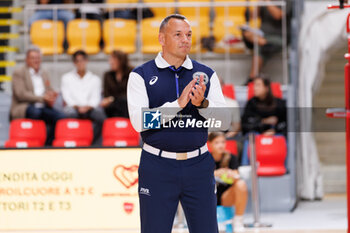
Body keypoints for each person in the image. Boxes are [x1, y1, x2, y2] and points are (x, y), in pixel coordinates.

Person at [127, 14, 229, 233]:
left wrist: (202, 104)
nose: (186, 40)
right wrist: (177, 104)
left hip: (198, 165)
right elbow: (139, 122)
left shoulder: (207, 74)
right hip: (157, 166)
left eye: (189, 35)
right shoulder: (140, 75)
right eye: (178, 34)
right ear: (161, 39)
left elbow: (223, 120)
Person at [10, 46, 65, 145]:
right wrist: (42, 98)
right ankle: (33, 142)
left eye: (38, 58)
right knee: (35, 113)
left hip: (42, 106)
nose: (36, 60)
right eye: (33, 58)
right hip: (24, 106)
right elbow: (21, 94)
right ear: (27, 59)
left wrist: (51, 94)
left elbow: (48, 88)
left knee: (60, 117)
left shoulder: (44, 72)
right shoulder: (19, 73)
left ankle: (48, 144)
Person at [61, 50, 106, 145]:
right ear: (74, 63)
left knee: (101, 118)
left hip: (89, 109)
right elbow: (67, 97)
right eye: (77, 61)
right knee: (66, 116)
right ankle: (74, 141)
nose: (80, 63)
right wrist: (77, 107)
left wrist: (87, 107)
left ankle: (92, 143)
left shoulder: (95, 79)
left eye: (82, 60)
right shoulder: (66, 78)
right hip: (73, 108)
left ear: (86, 61)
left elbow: (96, 97)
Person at [242, 0, 291, 84]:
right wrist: (259, 4)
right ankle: (263, 42)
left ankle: (251, 79)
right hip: (262, 35)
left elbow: (278, 15)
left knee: (259, 48)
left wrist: (267, 1)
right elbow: (253, 16)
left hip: (279, 37)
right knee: (246, 33)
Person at [208, 132, 248, 233]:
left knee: (241, 184)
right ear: (210, 144)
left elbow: (237, 176)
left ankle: (238, 220)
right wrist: (215, 173)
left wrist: (230, 174)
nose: (220, 145)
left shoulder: (231, 157)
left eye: (223, 142)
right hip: (208, 196)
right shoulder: (205, 158)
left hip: (226, 196)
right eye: (217, 142)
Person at [101, 50, 133, 118]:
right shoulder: (107, 75)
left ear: (121, 61)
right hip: (113, 106)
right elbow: (107, 94)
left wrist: (113, 98)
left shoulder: (132, 73)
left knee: (124, 102)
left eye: (113, 60)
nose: (110, 62)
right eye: (110, 60)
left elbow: (129, 93)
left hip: (127, 104)